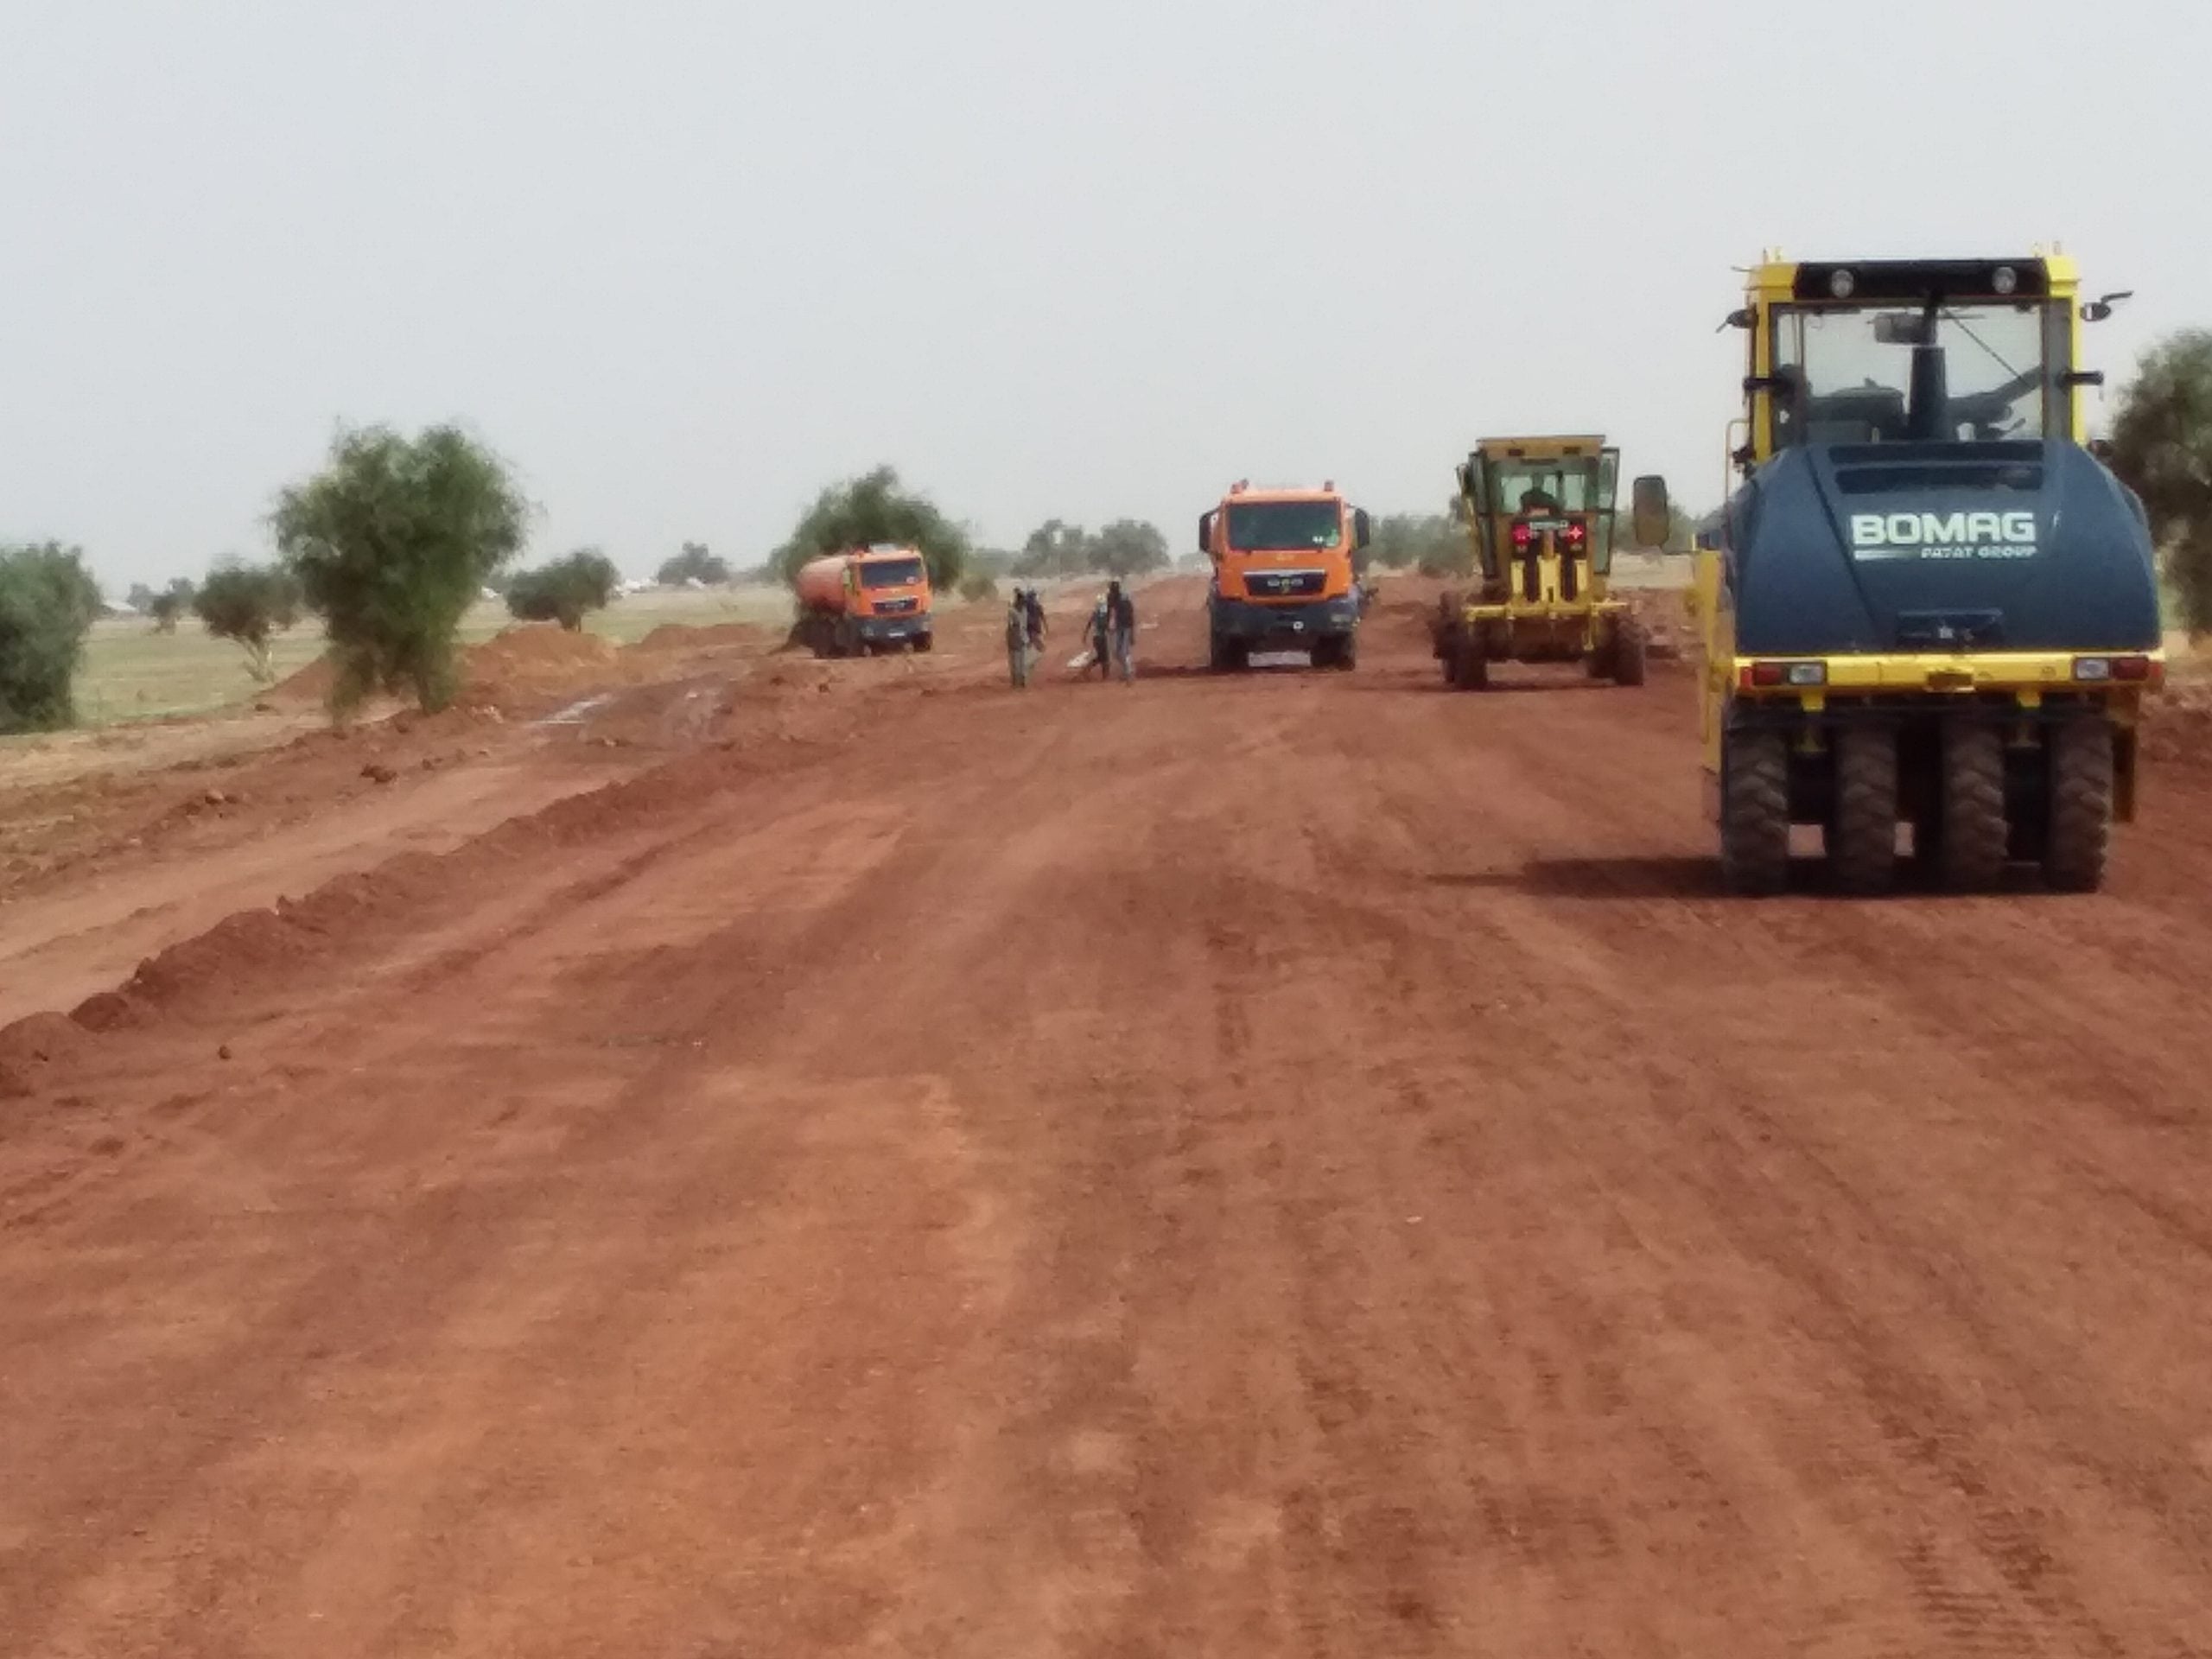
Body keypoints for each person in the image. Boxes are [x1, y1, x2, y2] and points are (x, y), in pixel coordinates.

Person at [1106, 580, 1136, 683]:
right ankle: (1127, 671)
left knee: (1123, 651)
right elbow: (1112, 612)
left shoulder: (1122, 599)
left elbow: (1130, 614)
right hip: (1120, 627)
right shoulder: (1113, 598)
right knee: (1117, 652)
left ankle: (1128, 673)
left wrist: (1132, 632)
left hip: (1125, 626)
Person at [1004, 590, 1031, 688]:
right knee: (1015, 661)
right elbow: (1010, 626)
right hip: (1014, 638)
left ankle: (1022, 681)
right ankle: (1015, 682)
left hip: (1023, 638)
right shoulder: (1012, 611)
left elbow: (1025, 625)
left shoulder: (1024, 610)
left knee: (1023, 661)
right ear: (1018, 600)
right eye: (1022, 601)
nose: (1023, 603)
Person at [1087, 592, 1112, 679]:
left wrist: (1085, 635)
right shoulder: (1103, 614)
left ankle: (1088, 670)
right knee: (1104, 658)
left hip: (1096, 638)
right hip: (1101, 638)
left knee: (1102, 657)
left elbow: (1089, 624)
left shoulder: (1096, 613)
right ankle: (1105, 676)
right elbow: (1104, 626)